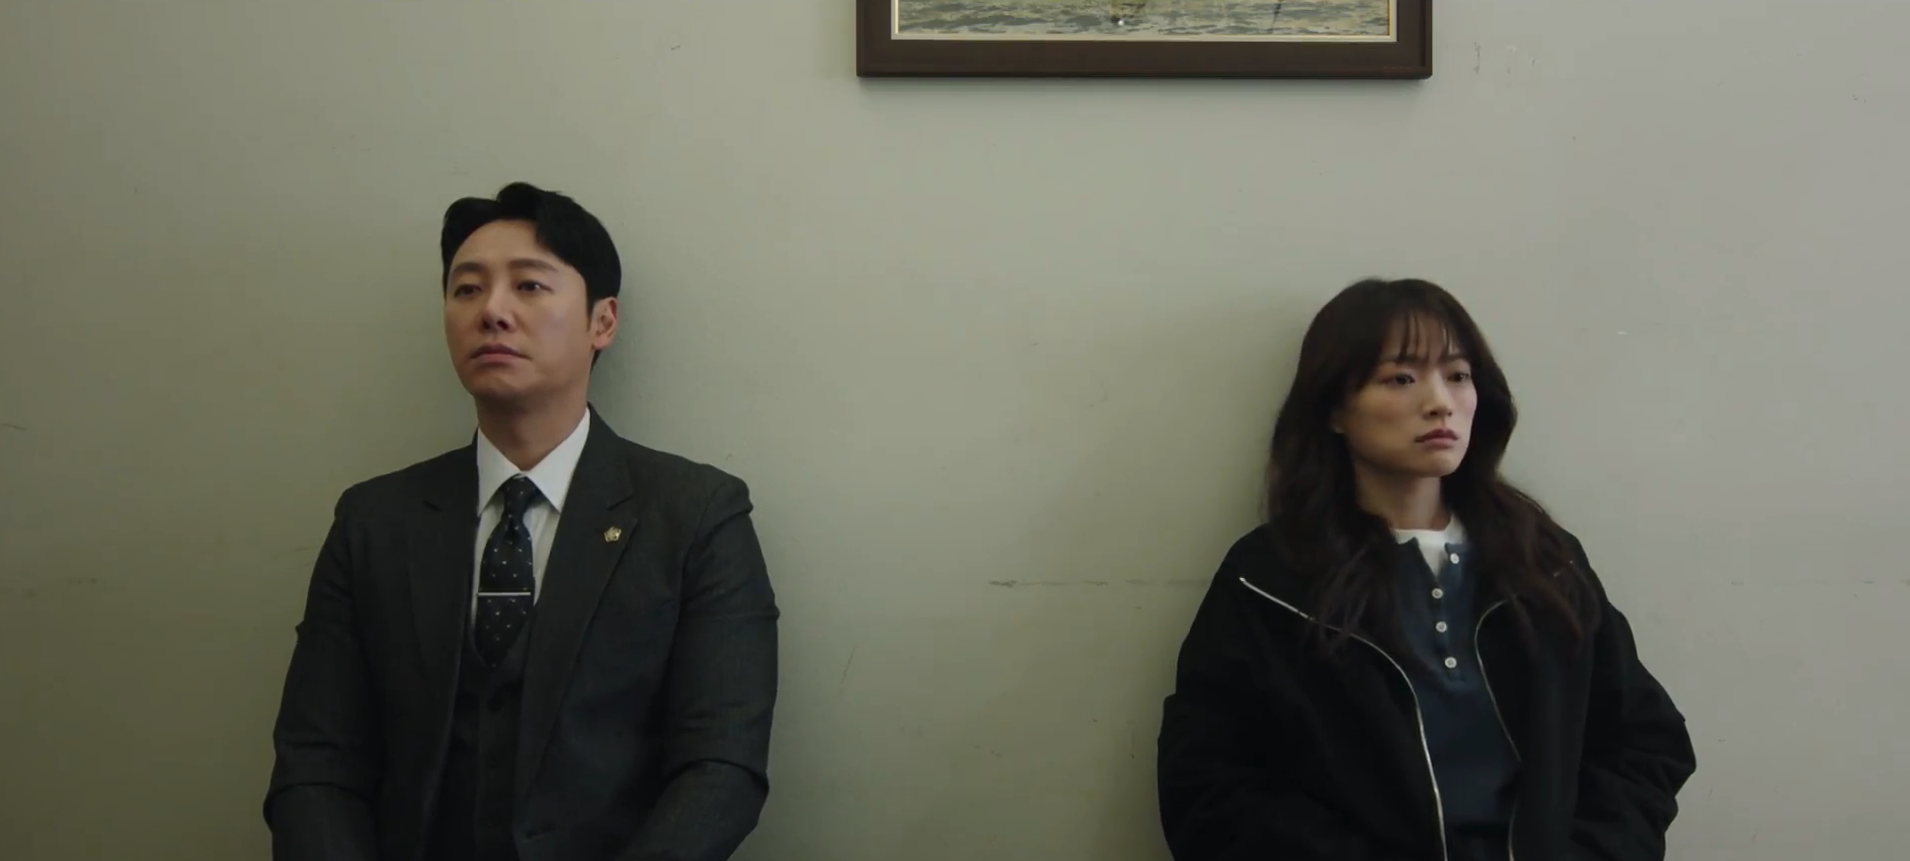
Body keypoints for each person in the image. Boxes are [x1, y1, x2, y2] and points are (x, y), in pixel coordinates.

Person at [264, 182, 779, 861]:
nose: (493, 312)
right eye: (467, 289)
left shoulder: (696, 513)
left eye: (530, 286)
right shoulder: (375, 520)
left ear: (603, 322)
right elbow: (316, 762)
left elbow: (721, 766)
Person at [1156, 278, 1695, 860]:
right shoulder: (1270, 580)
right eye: (1401, 379)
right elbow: (1208, 787)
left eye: (1458, 375)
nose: (1440, 402)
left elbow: (1644, 739)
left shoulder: (1544, 560)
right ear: (1334, 409)